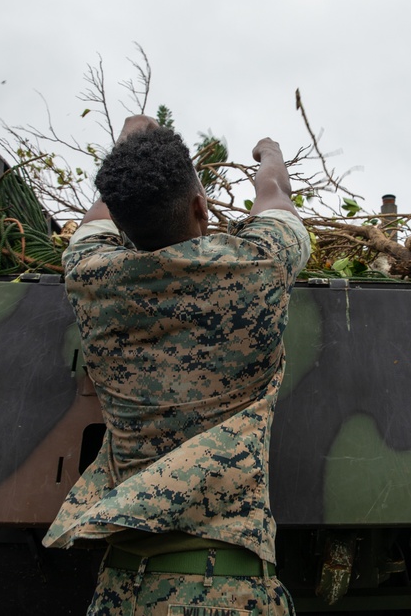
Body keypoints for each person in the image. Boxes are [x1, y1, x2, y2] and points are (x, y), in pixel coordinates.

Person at [43, 114, 310, 616]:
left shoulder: (88, 274)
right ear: (200, 206)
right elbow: (276, 198)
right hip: (228, 593)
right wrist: (269, 153)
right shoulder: (259, 266)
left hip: (120, 593)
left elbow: (97, 219)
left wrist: (129, 142)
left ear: (120, 226)